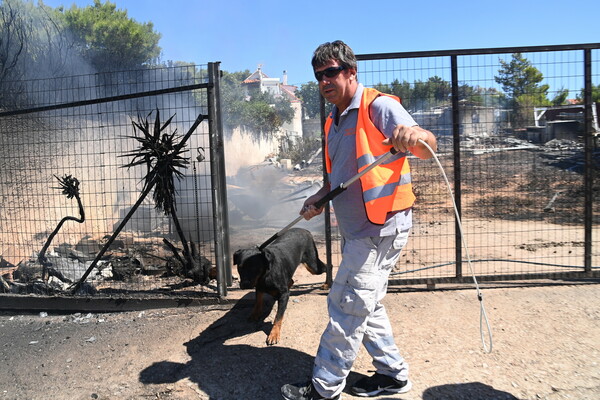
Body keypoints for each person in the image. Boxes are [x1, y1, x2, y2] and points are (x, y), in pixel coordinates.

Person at [281, 40, 437, 400]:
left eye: (331, 72)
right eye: (319, 75)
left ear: (351, 71)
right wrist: (319, 198)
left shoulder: (377, 105)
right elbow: (335, 179)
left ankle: (324, 388)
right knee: (366, 302)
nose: (325, 80)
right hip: (356, 230)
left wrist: (414, 136)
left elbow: (427, 145)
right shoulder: (333, 120)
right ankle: (393, 376)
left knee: (346, 304)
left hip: (380, 228)